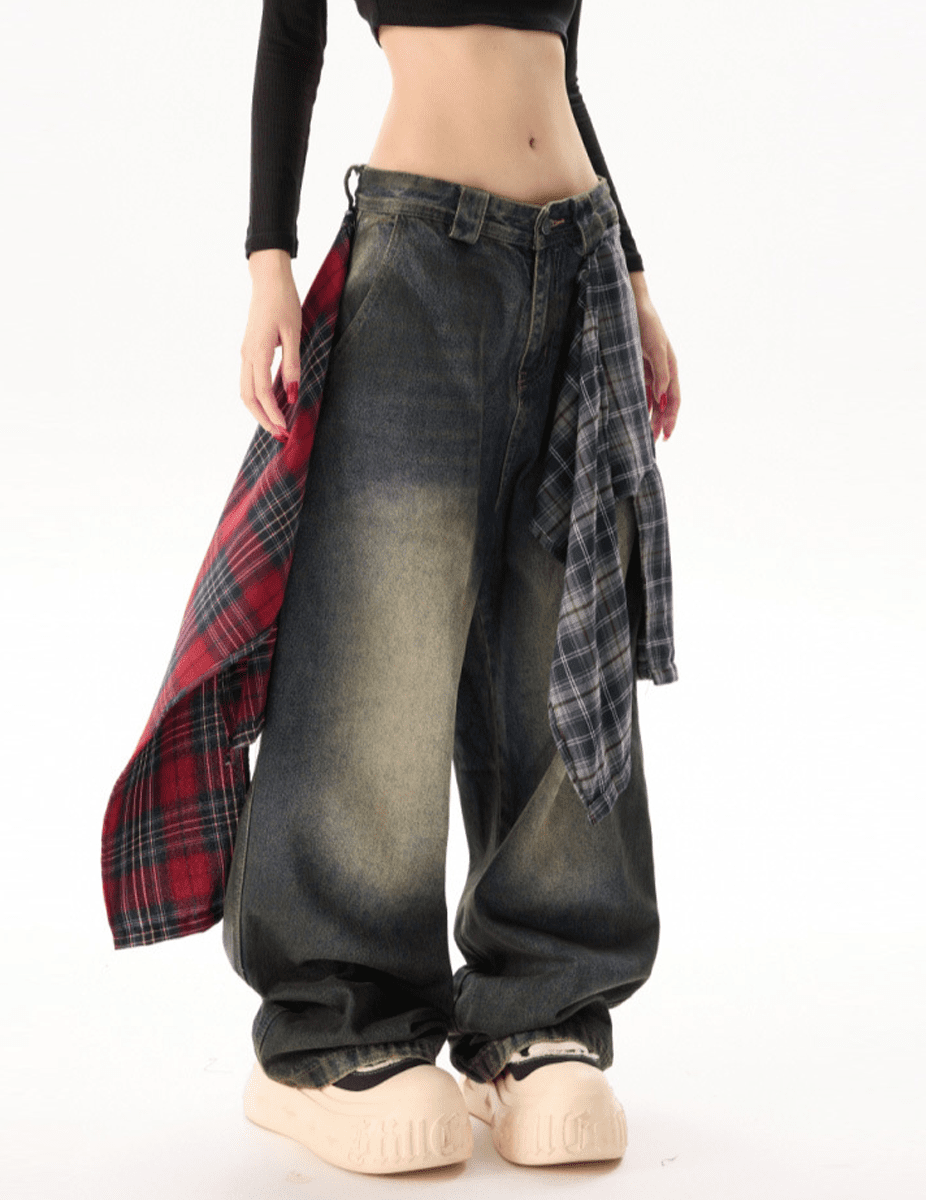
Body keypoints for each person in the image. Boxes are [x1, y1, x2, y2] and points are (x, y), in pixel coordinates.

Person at [232, 0, 681, 1176]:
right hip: (422, 252)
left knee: (557, 634)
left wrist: (632, 275)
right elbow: (291, 34)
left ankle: (538, 1011)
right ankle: (335, 1032)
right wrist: (268, 259)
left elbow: (557, 73)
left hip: (575, 257)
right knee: (381, 638)